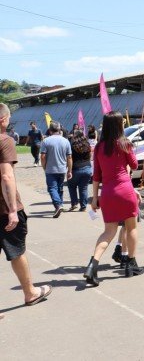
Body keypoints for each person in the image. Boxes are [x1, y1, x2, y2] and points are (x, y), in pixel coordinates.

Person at [0, 103, 52, 314]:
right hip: (3, 210)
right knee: (16, 251)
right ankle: (30, 292)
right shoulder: (5, 141)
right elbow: (6, 176)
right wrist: (13, 208)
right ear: (3, 120)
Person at [83, 111, 144, 286]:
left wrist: (95, 198)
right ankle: (130, 263)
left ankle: (93, 264)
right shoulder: (125, 144)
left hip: (108, 193)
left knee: (108, 232)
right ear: (119, 125)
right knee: (131, 228)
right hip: (125, 191)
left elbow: (96, 175)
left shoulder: (99, 147)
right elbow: (134, 165)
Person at [40, 121, 72, 217]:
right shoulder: (66, 141)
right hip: (62, 169)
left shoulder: (46, 141)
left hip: (50, 169)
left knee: (52, 188)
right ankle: (60, 205)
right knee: (59, 188)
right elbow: (69, 157)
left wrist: (44, 167)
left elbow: (42, 157)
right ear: (59, 129)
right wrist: (69, 170)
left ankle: (58, 205)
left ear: (50, 130)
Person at [67, 130, 92, 211]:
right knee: (84, 188)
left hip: (76, 169)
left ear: (75, 136)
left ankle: (74, 203)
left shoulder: (72, 145)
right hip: (87, 168)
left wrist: (69, 171)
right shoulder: (87, 144)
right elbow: (90, 156)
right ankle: (83, 206)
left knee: (71, 186)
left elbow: (70, 158)